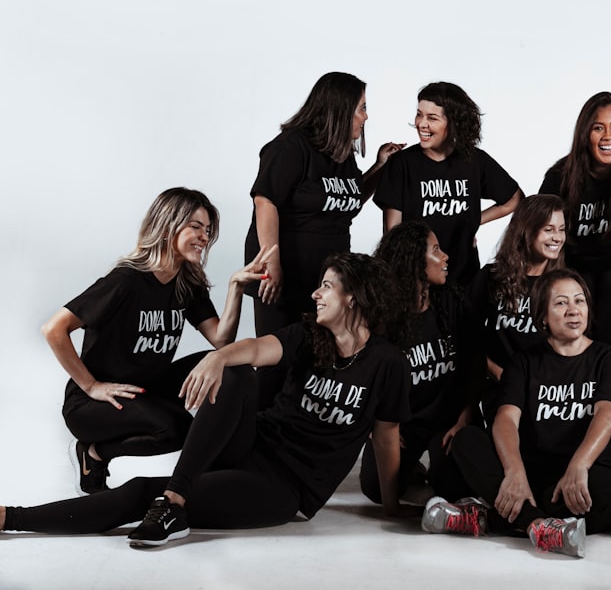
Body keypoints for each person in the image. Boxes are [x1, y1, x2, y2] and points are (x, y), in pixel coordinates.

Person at [3, 253, 415, 546]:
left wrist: (391, 505)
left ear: (354, 297)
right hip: (249, 444)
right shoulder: (310, 335)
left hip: (283, 488)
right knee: (234, 370)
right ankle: (175, 501)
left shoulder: (386, 363)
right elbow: (254, 349)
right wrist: (217, 357)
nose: (315, 294)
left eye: (326, 286)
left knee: (141, 492)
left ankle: (11, 517)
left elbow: (385, 435)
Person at [41, 187, 274, 495]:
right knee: (175, 429)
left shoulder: (187, 285)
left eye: (207, 230)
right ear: (168, 225)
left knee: (230, 366)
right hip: (95, 404)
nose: (205, 237)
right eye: (196, 226)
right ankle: (94, 453)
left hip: (149, 391)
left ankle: (230, 468)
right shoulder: (126, 281)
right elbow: (54, 329)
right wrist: (91, 386)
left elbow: (221, 341)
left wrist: (235, 287)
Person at [422, 269, 611, 558]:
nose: (573, 310)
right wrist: (515, 472)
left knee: (608, 494)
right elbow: (505, 419)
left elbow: (607, 416)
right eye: (560, 303)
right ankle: (540, 526)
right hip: (533, 473)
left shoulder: (610, 358)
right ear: (542, 315)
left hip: (583, 473)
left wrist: (579, 466)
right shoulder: (524, 362)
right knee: (467, 439)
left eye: (579, 301)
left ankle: (485, 518)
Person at [244, 71, 403, 408]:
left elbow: (347, 200)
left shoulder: (341, 154)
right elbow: (265, 200)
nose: (366, 115)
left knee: (316, 362)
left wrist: (379, 166)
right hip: (284, 276)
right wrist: (271, 261)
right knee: (278, 362)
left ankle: (299, 436)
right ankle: (256, 439)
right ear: (339, 109)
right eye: (361, 107)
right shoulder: (290, 147)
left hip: (325, 281)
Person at [358, 222, 480, 504]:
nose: (445, 256)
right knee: (375, 488)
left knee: (453, 488)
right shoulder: (382, 317)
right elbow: (364, 375)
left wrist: (466, 417)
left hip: (448, 422)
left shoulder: (452, 301)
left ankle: (437, 465)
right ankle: (412, 467)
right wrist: (377, 425)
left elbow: (476, 363)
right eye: (436, 250)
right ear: (413, 261)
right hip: (404, 424)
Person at [374, 81, 523, 287]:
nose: (421, 124)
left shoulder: (474, 161)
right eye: (419, 114)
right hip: (416, 283)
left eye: (432, 118)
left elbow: (514, 199)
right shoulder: (402, 164)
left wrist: (472, 222)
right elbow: (392, 234)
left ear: (453, 122)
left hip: (464, 279)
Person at [539, 91, 611, 342]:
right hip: (572, 262)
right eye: (598, 128)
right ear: (585, 135)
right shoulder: (559, 176)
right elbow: (541, 231)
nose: (608, 136)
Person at [468, 194, 566, 422]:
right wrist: (495, 371)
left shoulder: (565, 284)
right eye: (549, 229)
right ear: (526, 230)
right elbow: (465, 336)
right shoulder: (491, 277)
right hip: (500, 387)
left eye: (561, 229)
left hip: (549, 392)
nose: (558, 237)